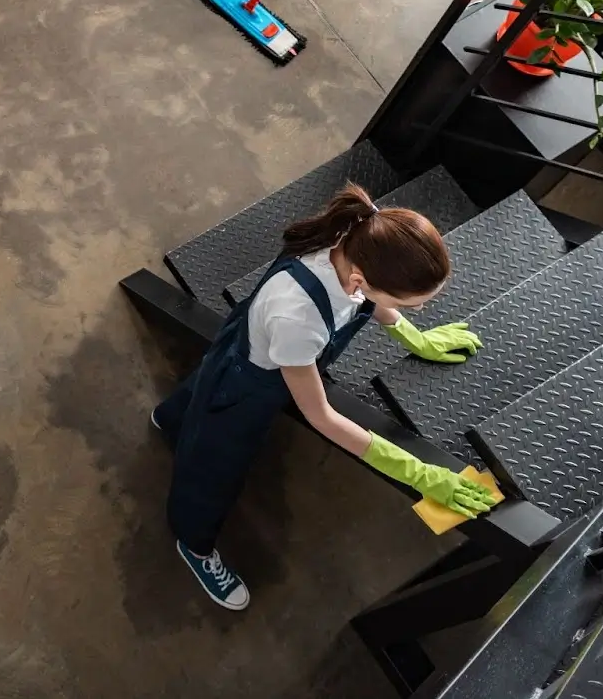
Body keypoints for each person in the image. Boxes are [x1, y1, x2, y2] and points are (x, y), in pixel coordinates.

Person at [152, 184, 498, 609]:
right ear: (362, 280)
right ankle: (193, 541)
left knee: (204, 386)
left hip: (254, 341)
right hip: (249, 385)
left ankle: (171, 420)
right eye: (412, 306)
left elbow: (369, 301)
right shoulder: (300, 319)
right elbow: (321, 416)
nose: (418, 310)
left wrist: (415, 338)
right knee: (214, 467)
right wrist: (419, 474)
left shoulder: (356, 239)